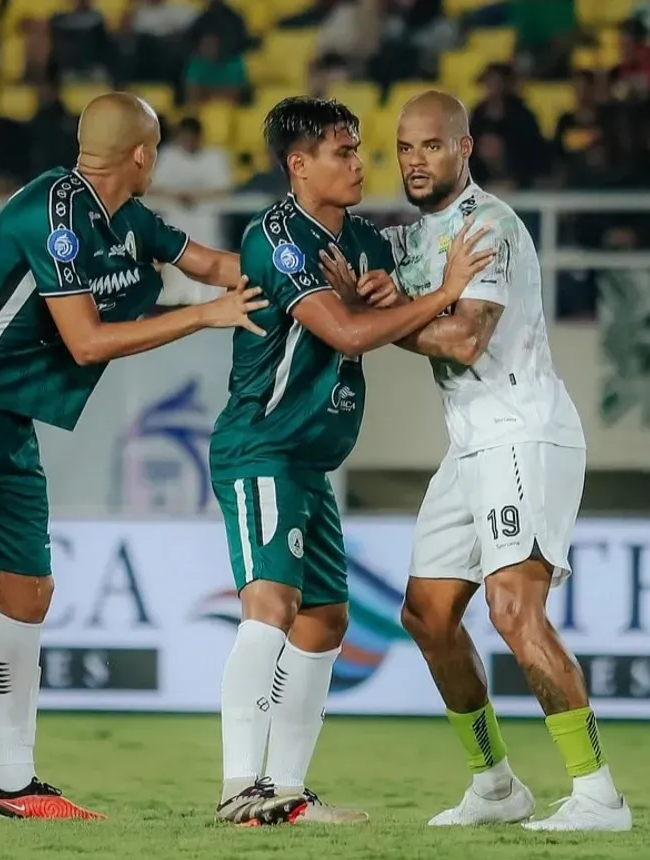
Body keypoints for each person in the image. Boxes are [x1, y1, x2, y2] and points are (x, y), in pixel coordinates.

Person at [0, 92, 266, 822]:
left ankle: (14, 786)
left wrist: (292, 275)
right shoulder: (53, 218)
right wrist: (202, 316)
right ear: (143, 155)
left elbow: (210, 261)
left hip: (11, 415)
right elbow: (85, 341)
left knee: (30, 589)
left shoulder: (127, 219)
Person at [320, 90, 633, 832]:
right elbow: (392, 286)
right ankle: (496, 786)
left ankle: (598, 795)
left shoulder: (488, 226)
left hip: (522, 432)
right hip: (470, 444)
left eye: (431, 146)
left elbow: (464, 341)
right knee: (426, 616)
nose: (415, 161)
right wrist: (392, 296)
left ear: (465, 149)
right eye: (403, 148)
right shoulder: (414, 238)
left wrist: (376, 321)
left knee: (512, 610)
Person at [208, 95, 495, 827]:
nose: (358, 161)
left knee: (327, 620)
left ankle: (286, 793)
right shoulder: (276, 239)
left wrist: (396, 292)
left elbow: (377, 312)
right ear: (298, 165)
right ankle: (243, 786)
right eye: (343, 151)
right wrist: (442, 294)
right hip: (262, 445)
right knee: (271, 605)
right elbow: (348, 334)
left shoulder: (364, 241)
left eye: (359, 148)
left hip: (309, 460)